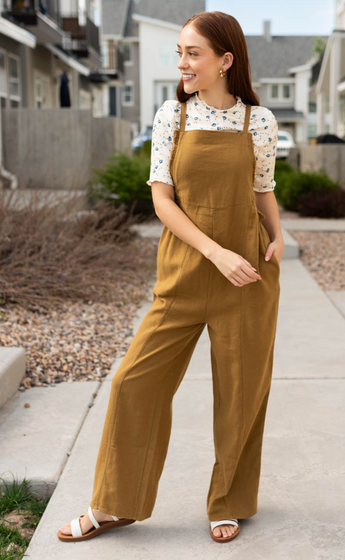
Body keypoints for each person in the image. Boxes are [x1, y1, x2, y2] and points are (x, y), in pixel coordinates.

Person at [58, 10, 284, 545]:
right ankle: (114, 504)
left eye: (193, 53)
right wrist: (215, 253)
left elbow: (263, 190)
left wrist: (278, 238)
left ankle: (228, 500)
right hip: (186, 271)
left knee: (241, 394)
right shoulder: (170, 117)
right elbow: (162, 202)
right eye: (179, 51)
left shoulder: (259, 121)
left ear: (225, 61)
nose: (181, 62)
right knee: (132, 382)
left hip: (249, 276)